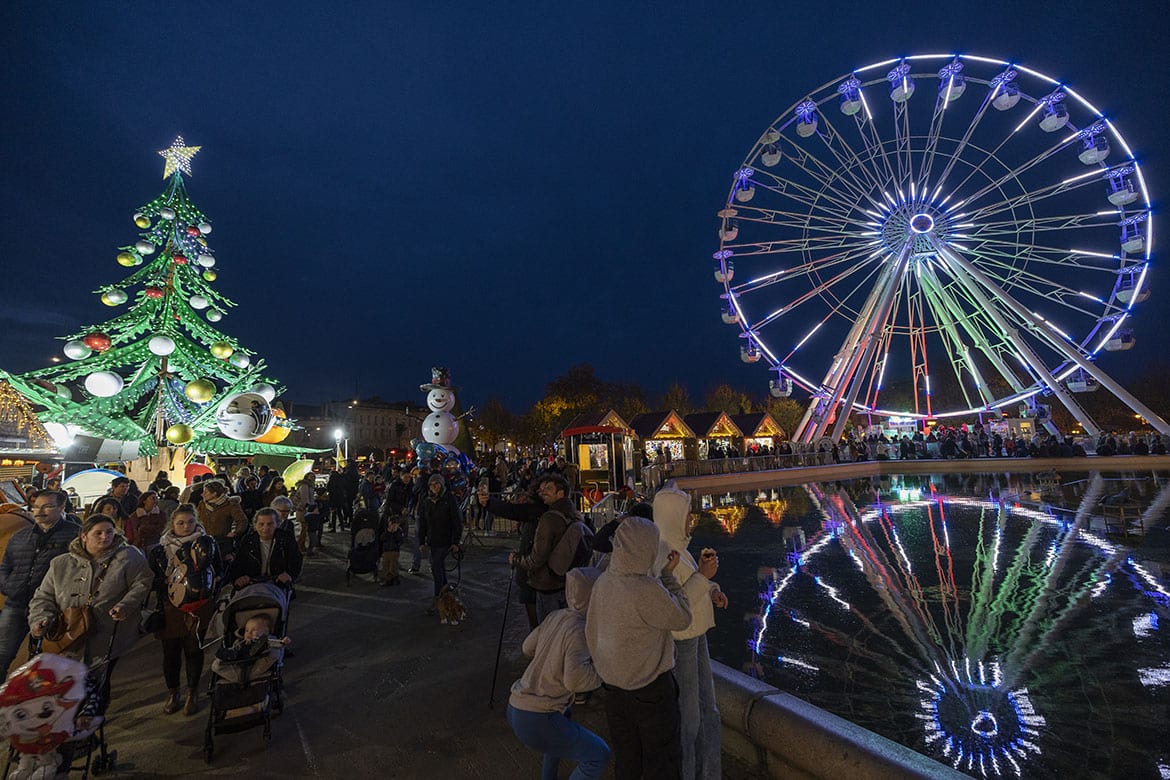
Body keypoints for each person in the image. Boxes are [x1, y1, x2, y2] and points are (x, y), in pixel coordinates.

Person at [585, 516, 692, 780]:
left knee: (628, 758)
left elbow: (591, 631)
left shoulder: (604, 582)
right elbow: (682, 618)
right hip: (650, 690)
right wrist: (669, 578)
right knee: (662, 761)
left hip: (613, 689)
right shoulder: (645, 589)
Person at [507, 567, 610, 780]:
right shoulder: (581, 629)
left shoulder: (556, 616)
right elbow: (575, 680)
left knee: (556, 741)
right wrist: (604, 673)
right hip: (539, 717)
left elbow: (527, 647)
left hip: (516, 705)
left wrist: (550, 653)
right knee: (598, 755)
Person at [653, 482, 726, 780]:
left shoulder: (678, 548)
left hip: (696, 637)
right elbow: (672, 603)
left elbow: (691, 590)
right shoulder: (661, 556)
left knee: (708, 711)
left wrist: (712, 589)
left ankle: (709, 772)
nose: (690, 519)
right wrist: (702, 577)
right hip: (682, 642)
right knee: (690, 718)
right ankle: (690, 772)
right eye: (686, 514)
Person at [29, 514, 153, 668]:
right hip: (68, 636)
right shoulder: (61, 563)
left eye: (109, 532)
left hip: (109, 635)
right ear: (84, 536)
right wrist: (40, 618)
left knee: (100, 682)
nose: (105, 537)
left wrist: (125, 606)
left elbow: (142, 583)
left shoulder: (128, 556)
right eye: (98, 533)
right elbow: (44, 596)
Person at [148, 505, 223, 715]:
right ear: (172, 524)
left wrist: (210, 587)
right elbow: (151, 579)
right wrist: (169, 584)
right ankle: (173, 692)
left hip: (199, 607)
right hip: (170, 607)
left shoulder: (208, 545)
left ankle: (192, 692)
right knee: (170, 653)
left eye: (190, 522)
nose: (186, 526)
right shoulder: (159, 550)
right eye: (180, 523)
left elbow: (219, 571)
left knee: (193, 650)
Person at [0, 490, 79, 675]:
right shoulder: (20, 536)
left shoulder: (75, 536)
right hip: (17, 603)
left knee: (45, 659)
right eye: (35, 507)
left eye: (47, 506)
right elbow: (5, 566)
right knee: (2, 654)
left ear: (61, 507)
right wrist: (7, 586)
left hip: (54, 607)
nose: (39, 511)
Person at [509, 473, 584, 623]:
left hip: (548, 584)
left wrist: (515, 559)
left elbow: (537, 559)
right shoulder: (572, 513)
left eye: (548, 489)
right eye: (542, 488)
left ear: (560, 493)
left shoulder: (549, 518)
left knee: (547, 630)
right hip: (566, 580)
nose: (543, 492)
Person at [417, 474, 461, 616]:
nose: (434, 487)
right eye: (432, 485)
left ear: (441, 485)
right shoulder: (427, 501)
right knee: (439, 568)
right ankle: (447, 597)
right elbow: (423, 522)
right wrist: (421, 541)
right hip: (433, 540)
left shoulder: (449, 499)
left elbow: (456, 521)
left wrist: (456, 541)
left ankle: (438, 599)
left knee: (436, 567)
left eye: (436, 484)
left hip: (445, 539)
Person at [229, 508, 303, 589]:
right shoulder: (248, 540)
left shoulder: (286, 539)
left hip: (278, 583)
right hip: (252, 583)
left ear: (277, 524)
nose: (265, 528)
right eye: (261, 524)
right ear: (255, 525)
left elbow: (296, 560)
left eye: (270, 524)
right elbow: (238, 562)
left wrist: (289, 575)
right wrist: (239, 578)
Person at [197, 479, 247, 557]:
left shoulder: (230, 504)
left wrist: (235, 532)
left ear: (214, 494)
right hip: (204, 541)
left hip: (222, 542)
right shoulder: (202, 505)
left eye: (206, 492)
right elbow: (197, 519)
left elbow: (242, 520)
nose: (202, 494)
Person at [378, 515, 404, 586]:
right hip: (386, 550)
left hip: (394, 551)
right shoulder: (386, 530)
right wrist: (388, 532)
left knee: (393, 565)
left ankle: (394, 577)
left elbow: (400, 541)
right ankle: (388, 579)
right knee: (386, 565)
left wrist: (395, 533)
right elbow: (382, 538)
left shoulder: (399, 531)